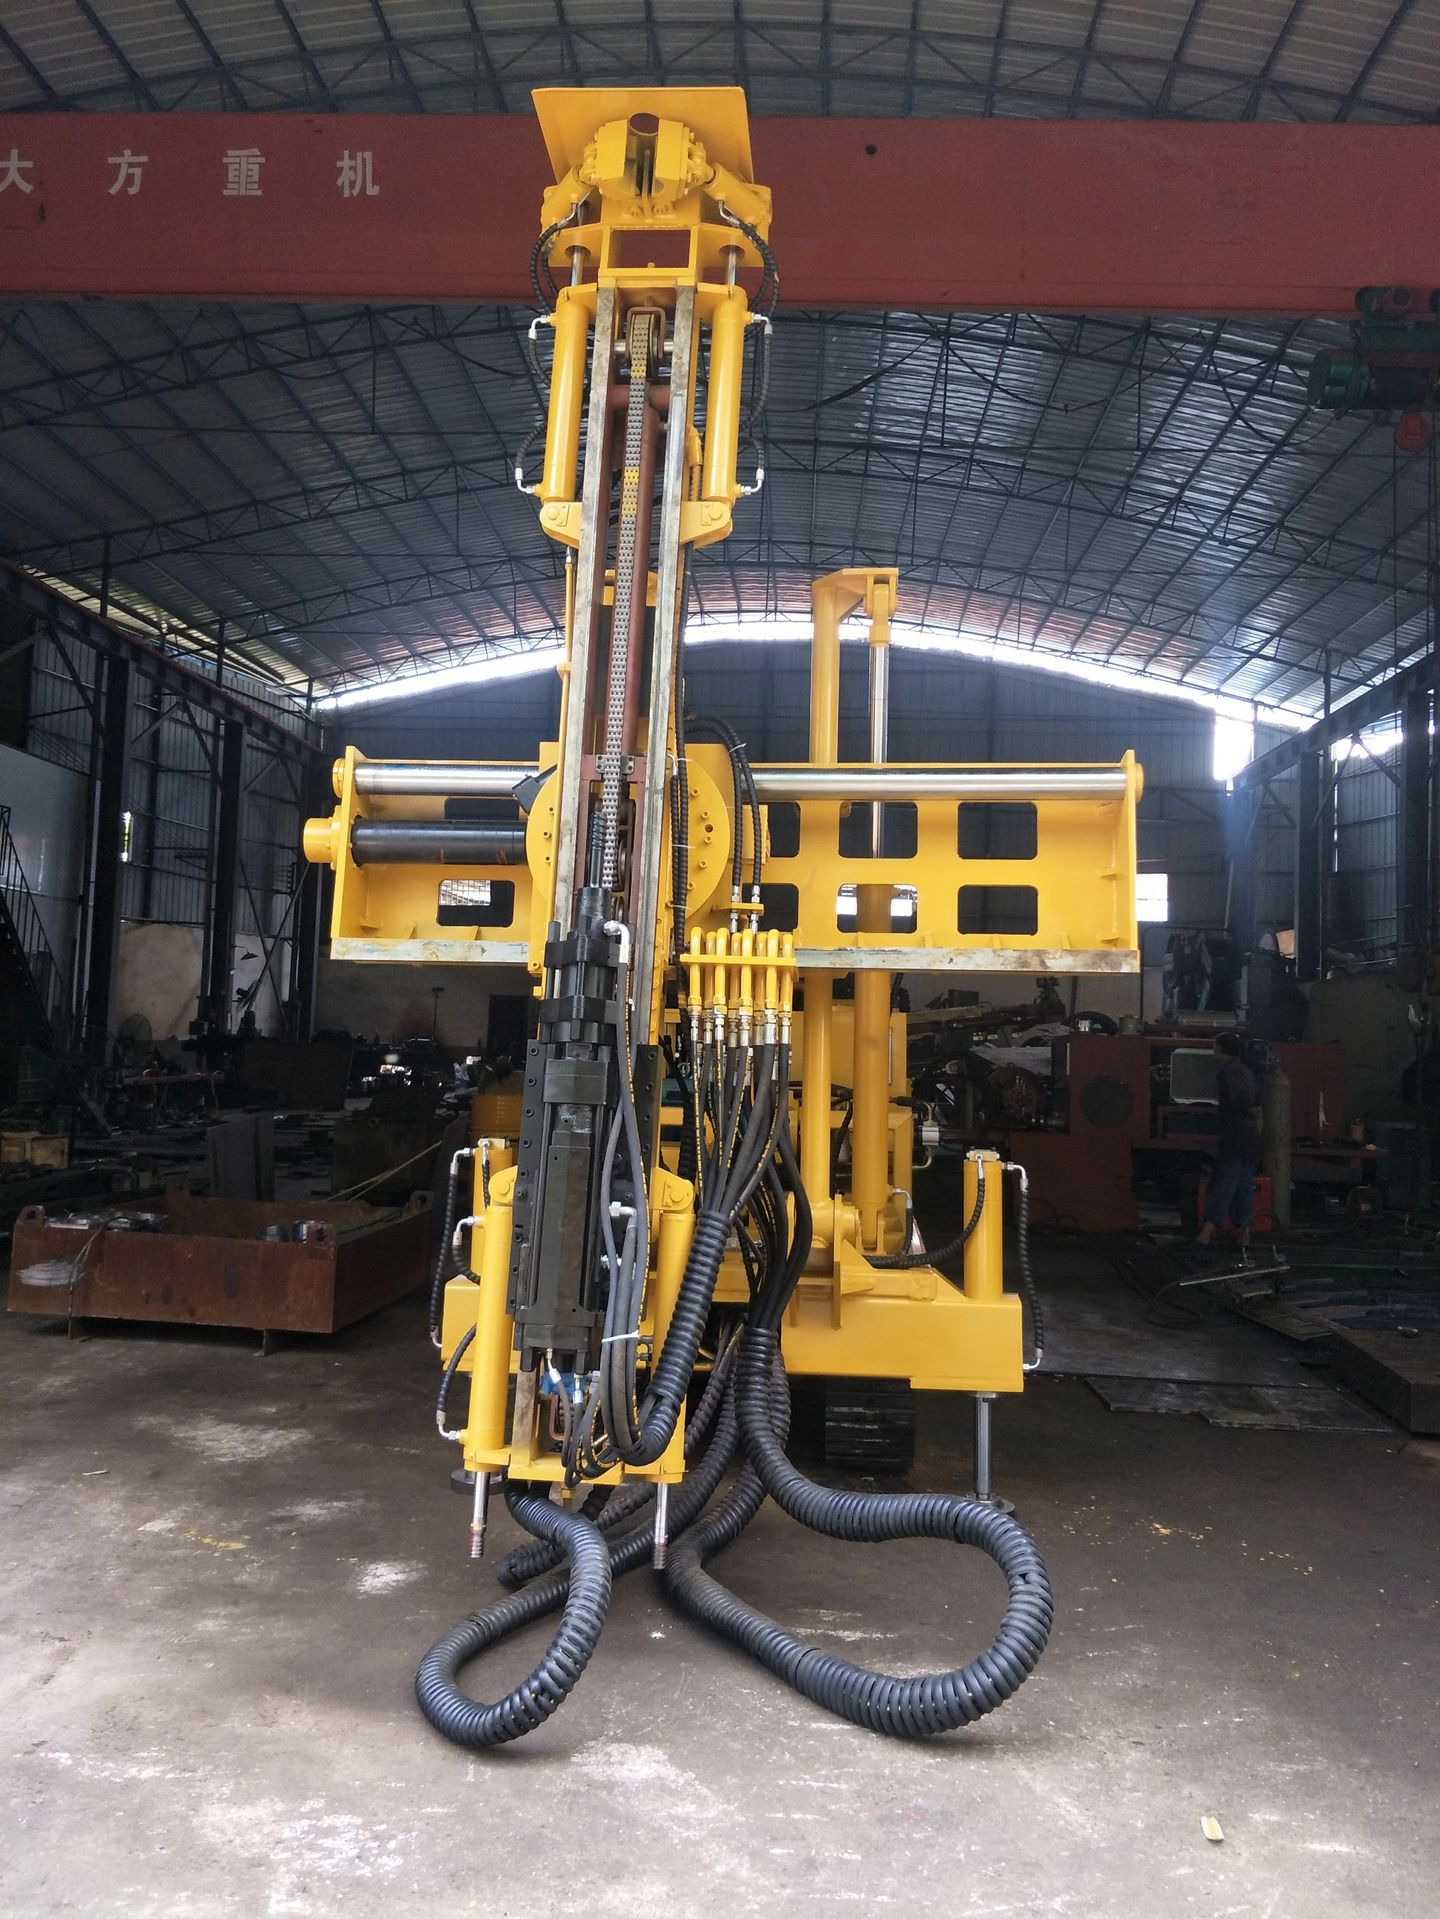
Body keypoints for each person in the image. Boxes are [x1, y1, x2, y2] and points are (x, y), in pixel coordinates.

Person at [1195, 1031, 1262, 1265]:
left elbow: (1239, 1101)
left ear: (1221, 1049)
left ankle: (1206, 1233)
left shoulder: (1228, 1071)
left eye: (1214, 1045)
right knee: (1243, 1186)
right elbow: (1255, 1104)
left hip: (1234, 1135)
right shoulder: (1245, 1070)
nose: (1213, 1049)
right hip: (1250, 1137)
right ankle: (1244, 1234)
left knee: (1224, 1183)